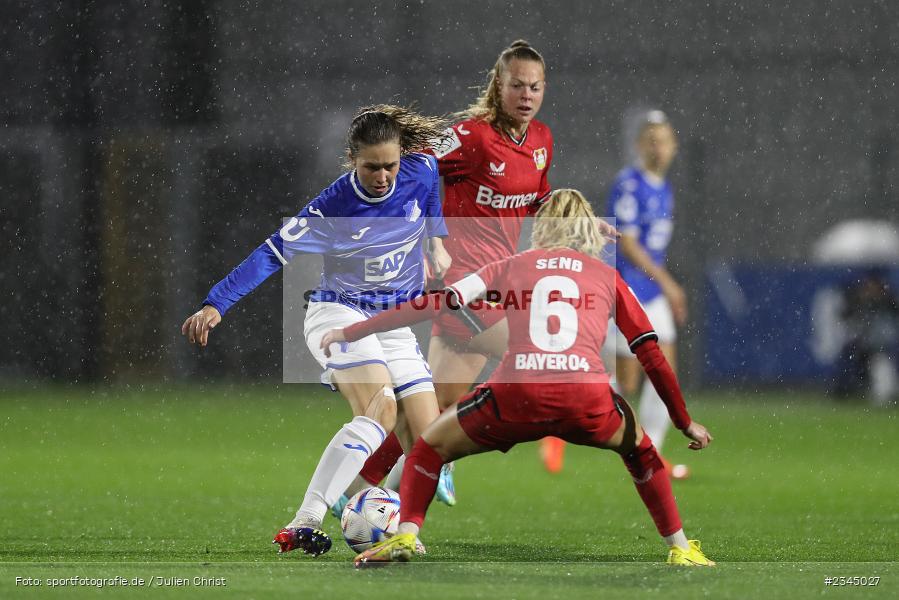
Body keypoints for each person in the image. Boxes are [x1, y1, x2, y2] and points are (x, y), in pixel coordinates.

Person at [321, 189, 715, 567]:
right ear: (588, 230)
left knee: (427, 449)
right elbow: (651, 354)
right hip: (586, 397)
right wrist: (684, 422)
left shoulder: (511, 265)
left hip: (515, 396)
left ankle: (405, 534)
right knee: (642, 453)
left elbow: (438, 302)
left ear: (542, 227)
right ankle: (680, 547)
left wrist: (355, 330)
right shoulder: (606, 276)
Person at [350, 40, 617, 503]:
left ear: (544, 89)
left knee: (433, 406)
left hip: (490, 286)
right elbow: (414, 164)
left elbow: (535, 201)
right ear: (500, 85)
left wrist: (580, 221)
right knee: (533, 347)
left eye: (534, 87)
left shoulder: (540, 143)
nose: (526, 95)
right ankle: (445, 454)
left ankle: (357, 492)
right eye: (517, 85)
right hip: (458, 285)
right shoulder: (472, 138)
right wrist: (425, 230)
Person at [181, 105, 451, 557]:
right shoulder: (332, 207)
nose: (383, 176)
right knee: (380, 407)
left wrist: (437, 242)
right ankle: (305, 518)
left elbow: (430, 194)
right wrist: (217, 303)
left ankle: (398, 531)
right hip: (340, 315)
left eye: (390, 165)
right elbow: (270, 253)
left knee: (430, 441)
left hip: (393, 321)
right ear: (352, 160)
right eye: (371, 167)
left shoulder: (421, 167)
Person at [541, 109, 688, 476]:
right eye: (651, 140)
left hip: (650, 291)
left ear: (674, 146)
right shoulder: (630, 184)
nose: (658, 147)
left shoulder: (663, 186)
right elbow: (630, 245)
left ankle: (652, 449)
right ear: (640, 145)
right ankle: (557, 425)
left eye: (664, 140)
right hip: (627, 288)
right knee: (625, 380)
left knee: (665, 369)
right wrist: (669, 283)